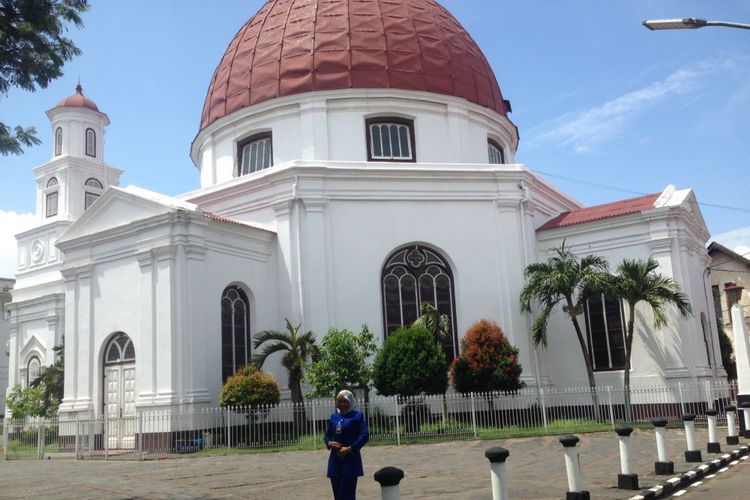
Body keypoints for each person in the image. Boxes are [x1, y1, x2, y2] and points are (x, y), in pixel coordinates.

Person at [324, 389, 369, 500]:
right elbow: (327, 436)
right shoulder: (334, 417)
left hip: (350, 462)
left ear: (351, 402)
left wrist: (350, 448)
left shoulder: (357, 416)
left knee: (347, 496)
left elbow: (364, 435)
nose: (342, 404)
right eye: (339, 401)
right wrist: (329, 443)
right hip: (335, 462)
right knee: (338, 496)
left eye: (345, 402)